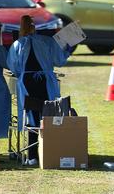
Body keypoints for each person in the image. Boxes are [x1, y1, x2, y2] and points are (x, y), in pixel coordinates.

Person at [7, 15, 72, 166]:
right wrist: (68, 49)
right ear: (34, 27)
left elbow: (13, 67)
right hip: (45, 83)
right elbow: (59, 60)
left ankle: (32, 155)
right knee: (49, 114)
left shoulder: (17, 44)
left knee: (31, 116)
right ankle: (50, 151)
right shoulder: (47, 41)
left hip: (27, 84)